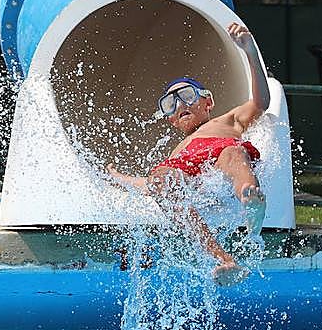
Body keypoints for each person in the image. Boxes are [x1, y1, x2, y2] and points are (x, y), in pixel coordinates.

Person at [109, 22, 270, 287]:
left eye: (186, 95)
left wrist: (250, 52)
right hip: (189, 174)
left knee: (232, 152)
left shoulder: (226, 120)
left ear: (208, 102)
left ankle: (250, 198)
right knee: (160, 178)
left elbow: (261, 102)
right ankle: (224, 259)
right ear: (171, 120)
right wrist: (116, 176)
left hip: (222, 153)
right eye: (170, 104)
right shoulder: (177, 151)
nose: (180, 104)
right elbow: (146, 185)